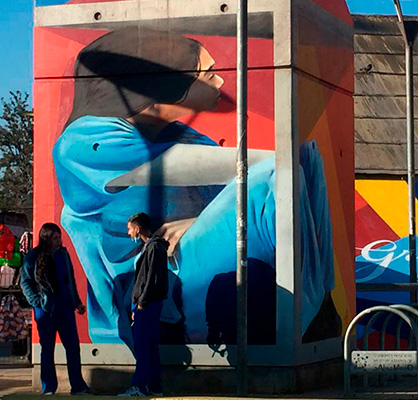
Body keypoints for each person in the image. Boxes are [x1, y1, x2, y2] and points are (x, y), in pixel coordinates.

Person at [52, 27, 339, 346]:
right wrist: (285, 161)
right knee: (278, 174)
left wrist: (196, 222)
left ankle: (318, 309)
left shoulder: (177, 134)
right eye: (208, 73)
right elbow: (204, 167)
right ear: (162, 86)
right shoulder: (83, 141)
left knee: (306, 162)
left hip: (185, 274)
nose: (220, 82)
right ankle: (302, 321)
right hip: (154, 294)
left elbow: (227, 197)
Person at [20, 223, 90, 395]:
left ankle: (78, 385)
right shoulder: (33, 256)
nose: (58, 241)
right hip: (46, 309)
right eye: (55, 238)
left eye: (59, 237)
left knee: (73, 346)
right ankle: (49, 387)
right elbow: (25, 282)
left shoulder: (63, 254)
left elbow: (70, 280)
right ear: (46, 238)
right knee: (47, 348)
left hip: (65, 307)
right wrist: (36, 301)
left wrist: (76, 302)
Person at [119, 213, 169, 397]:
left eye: (130, 229)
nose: (129, 233)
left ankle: (140, 386)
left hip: (148, 304)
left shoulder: (154, 247)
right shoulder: (150, 247)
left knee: (142, 345)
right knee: (150, 345)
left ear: (138, 228)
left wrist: (142, 302)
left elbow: (152, 279)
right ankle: (154, 386)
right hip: (147, 304)